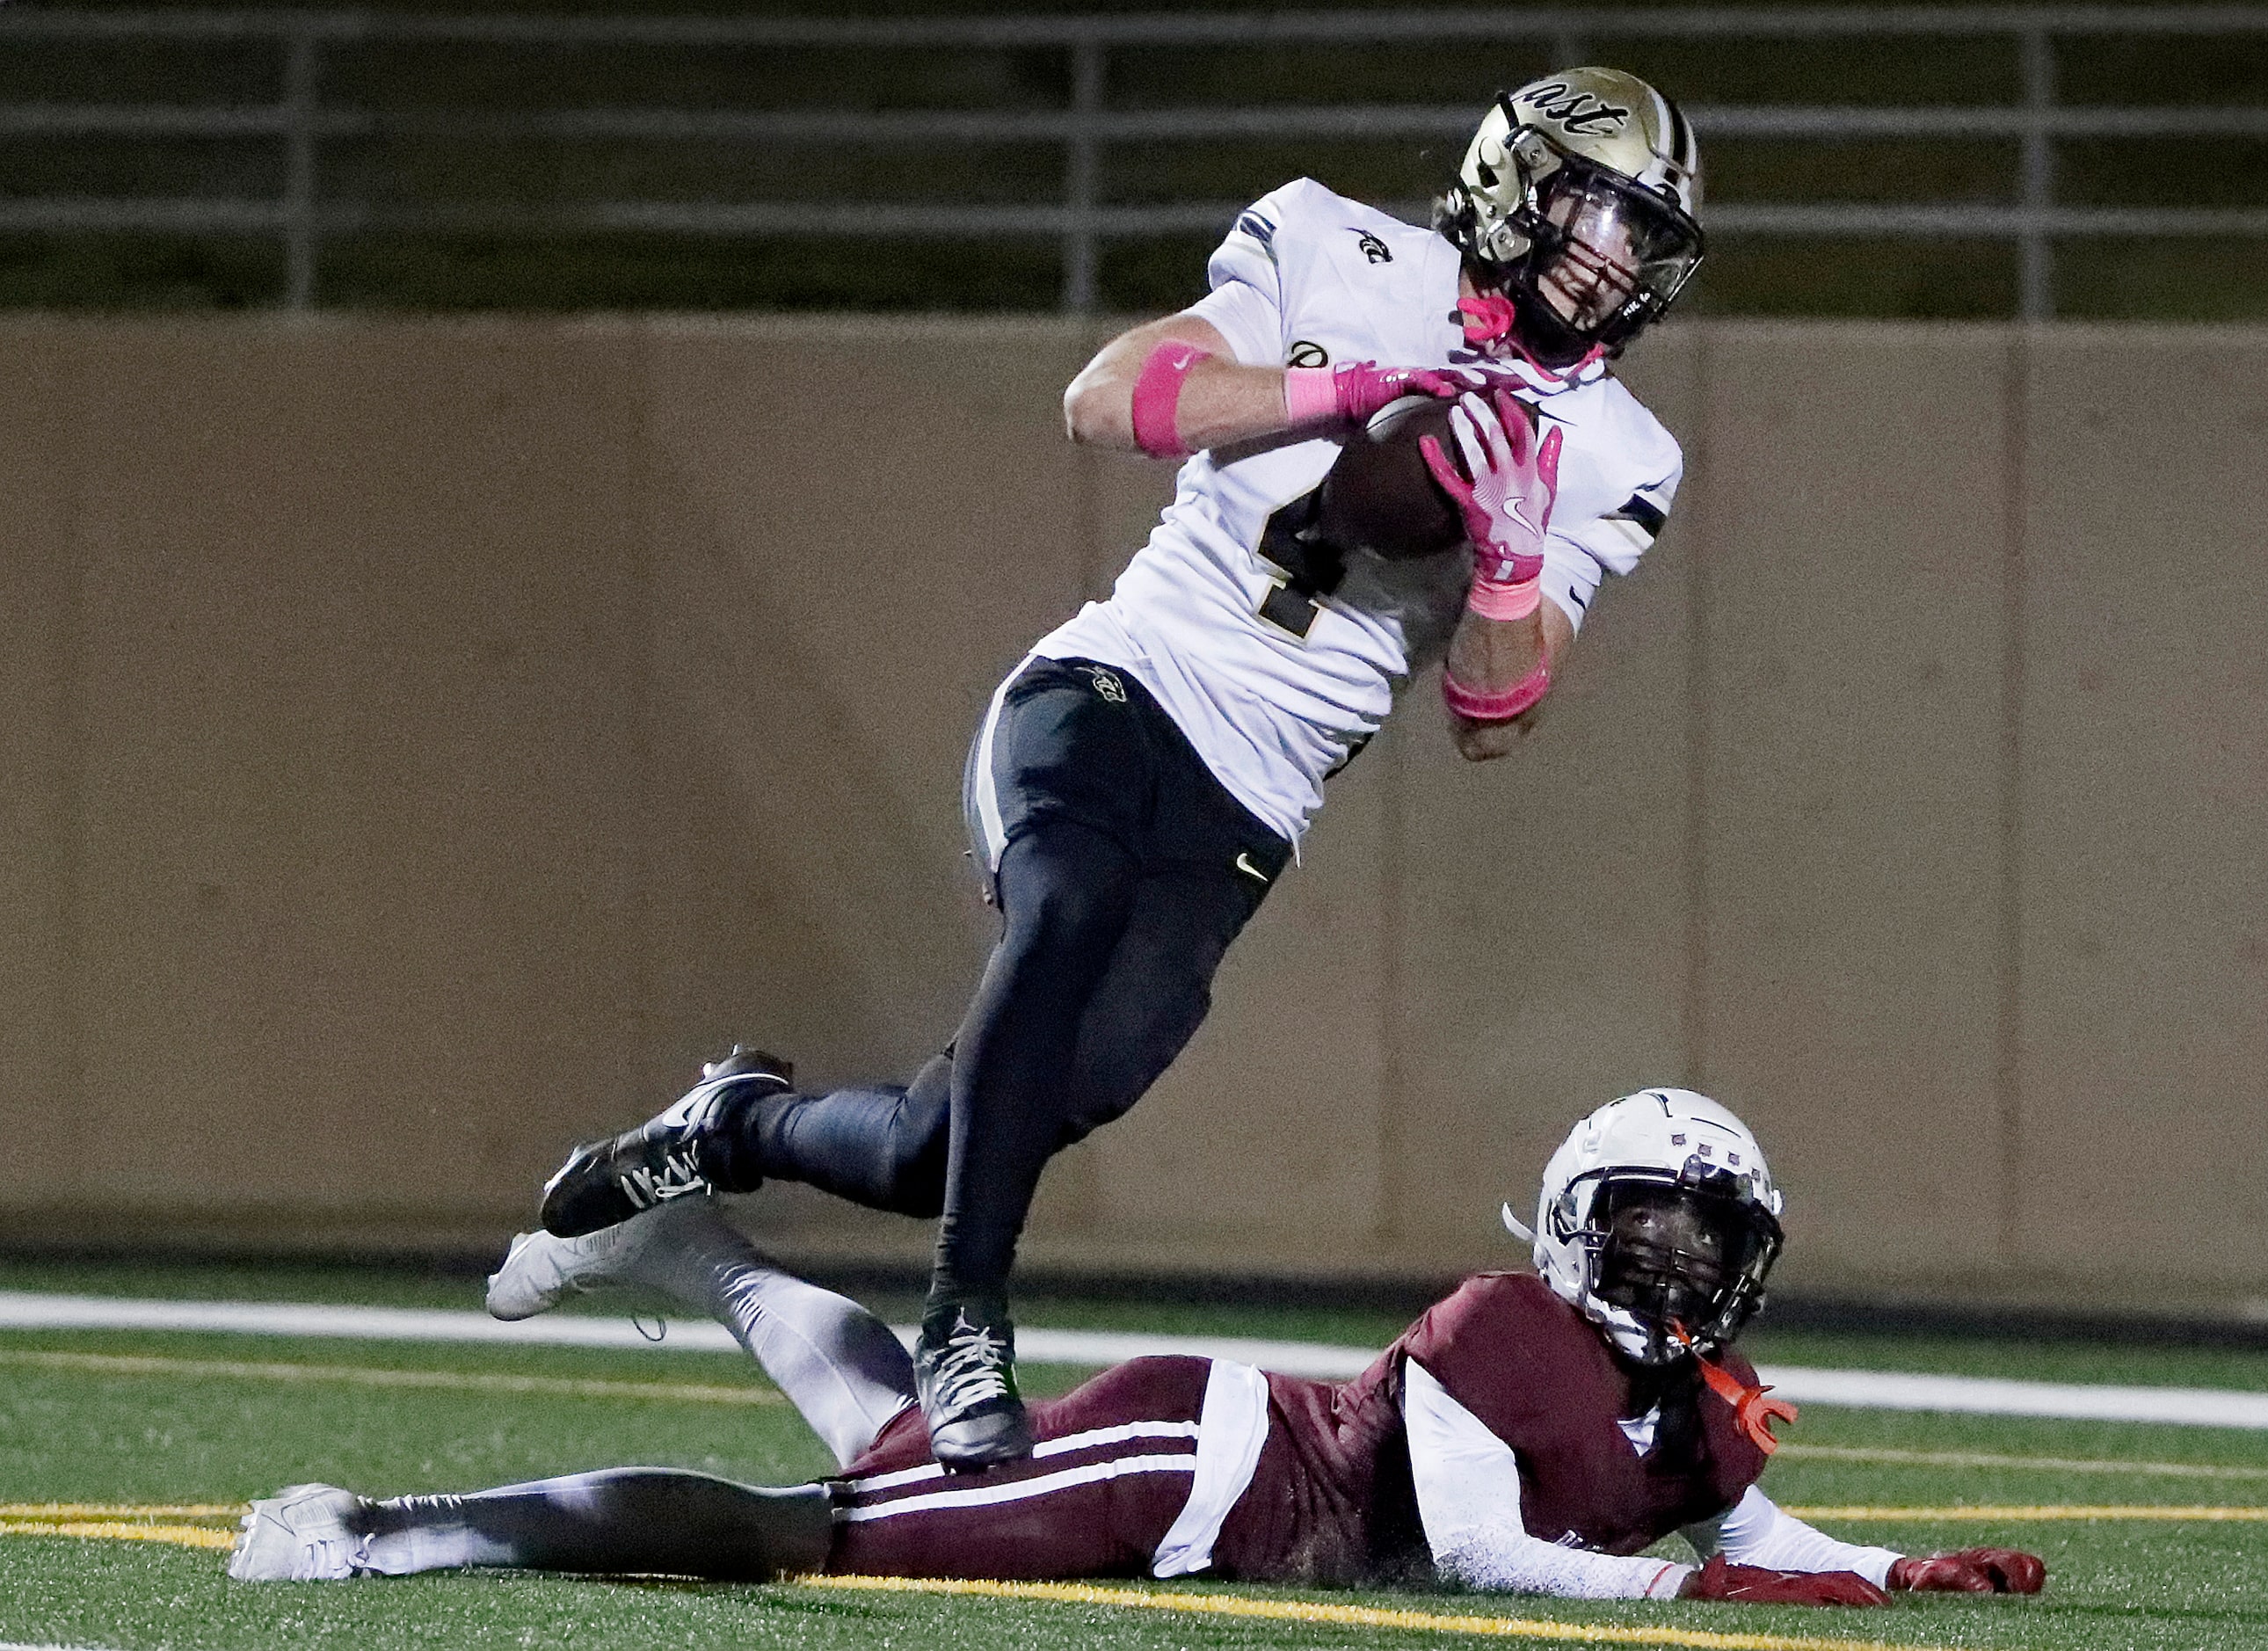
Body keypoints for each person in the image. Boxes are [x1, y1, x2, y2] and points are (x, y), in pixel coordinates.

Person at [535, 69, 1717, 1469]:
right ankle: (966, 1325)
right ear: (1514, 179)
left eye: (1641, 235)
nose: (1610, 256)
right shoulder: (1335, 244)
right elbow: (1104, 398)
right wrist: (1348, 389)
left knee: (951, 1140)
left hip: (1252, 799)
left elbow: (1492, 709)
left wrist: (1511, 552)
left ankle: (732, 1124)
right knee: (1069, 903)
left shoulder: (1620, 451)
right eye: (1593, 210)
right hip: (1118, 682)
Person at [232, 1089, 2044, 1608]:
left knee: (884, 1452)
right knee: (816, 1532)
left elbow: (1744, 1532)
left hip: (1204, 1486)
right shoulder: (1505, 1325)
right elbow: (1487, 1551)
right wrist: (1687, 1609)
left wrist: (1894, 1571)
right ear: (1579, 1229)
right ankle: (379, 1531)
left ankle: (697, 1240)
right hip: (1195, 1470)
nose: (1685, 1264)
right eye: (1655, 1226)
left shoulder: (1687, 1403)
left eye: (1710, 1237)